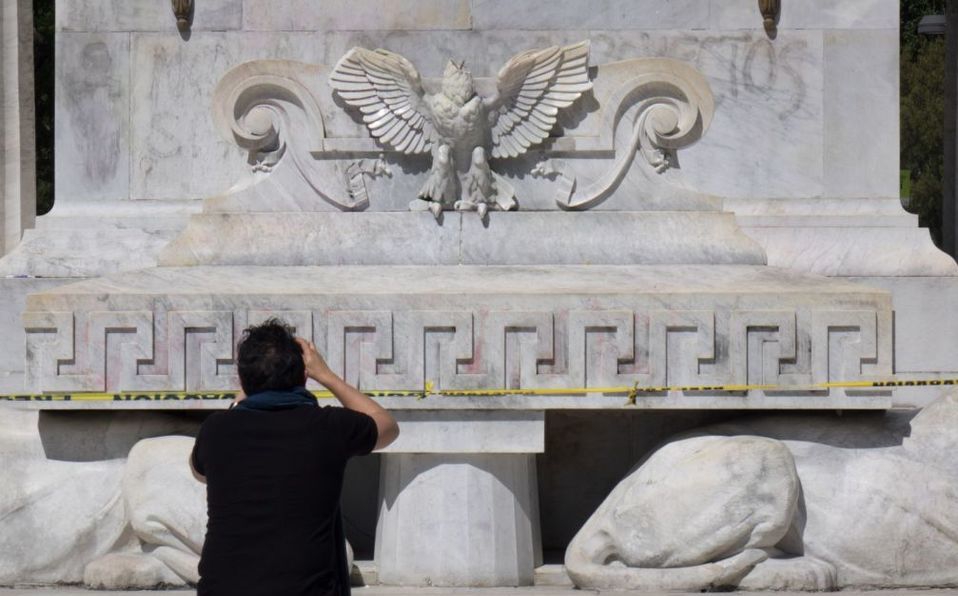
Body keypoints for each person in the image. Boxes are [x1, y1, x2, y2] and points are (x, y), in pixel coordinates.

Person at [190, 319, 399, 596]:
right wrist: (327, 376)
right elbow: (387, 426)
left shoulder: (217, 430)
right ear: (304, 376)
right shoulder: (328, 427)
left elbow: (199, 471)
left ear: (242, 379)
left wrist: (241, 401)